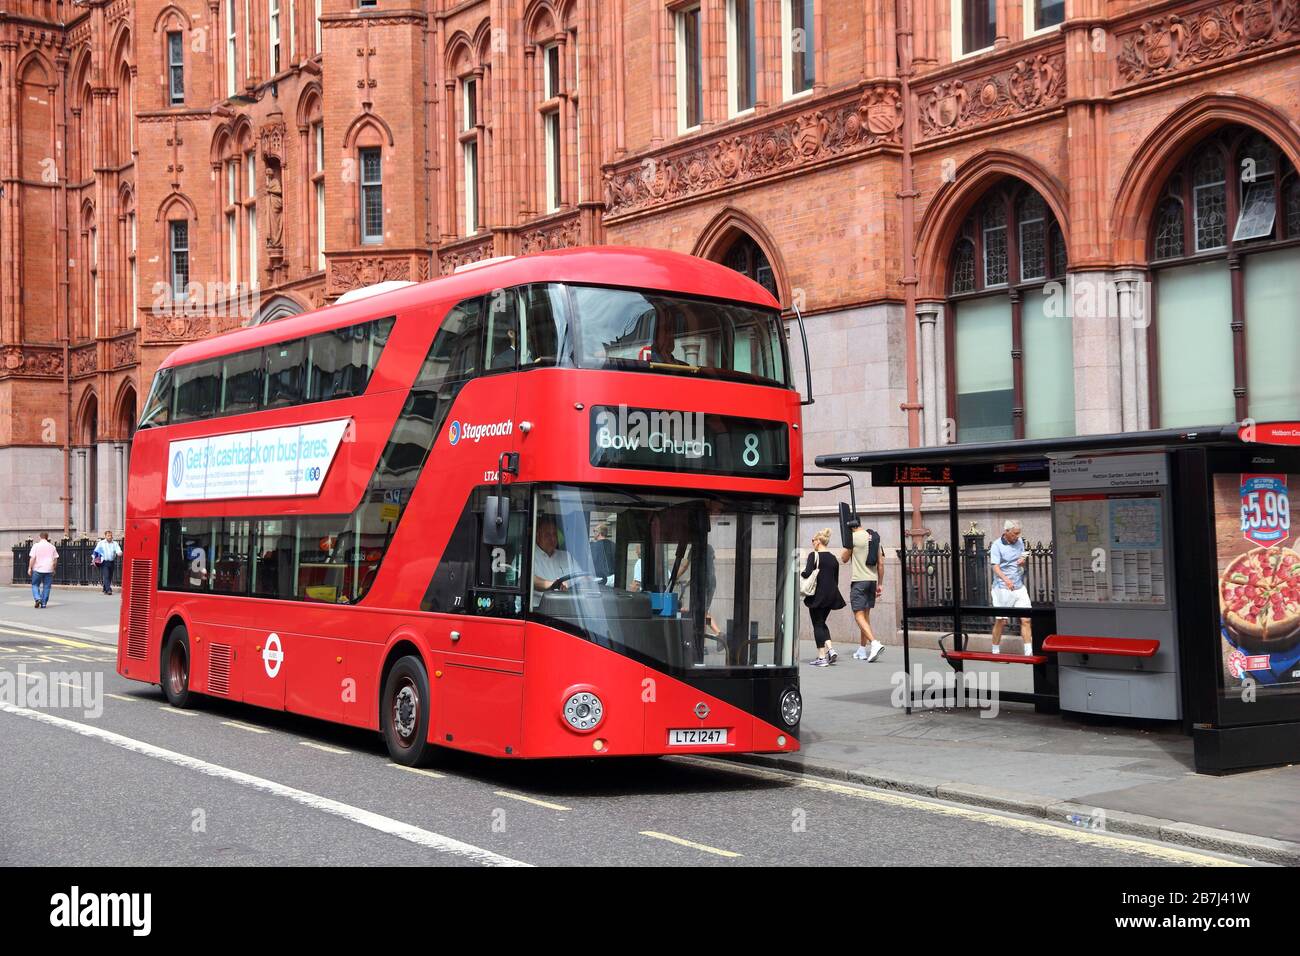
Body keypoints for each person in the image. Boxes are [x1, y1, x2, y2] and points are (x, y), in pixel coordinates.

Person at [840, 516, 885, 661]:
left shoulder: (853, 538)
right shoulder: (874, 537)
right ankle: (862, 649)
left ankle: (874, 643)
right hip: (872, 581)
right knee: (865, 617)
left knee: (858, 615)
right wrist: (880, 584)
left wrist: (848, 545)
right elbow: (881, 563)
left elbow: (844, 558)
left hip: (859, 581)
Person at [802, 528, 845, 666]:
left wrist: (801, 573)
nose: (812, 543)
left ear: (819, 541)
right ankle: (831, 650)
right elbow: (835, 579)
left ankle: (821, 657)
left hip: (818, 596)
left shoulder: (813, 556)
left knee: (817, 625)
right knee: (821, 622)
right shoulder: (833, 558)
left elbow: (807, 573)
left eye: (813, 540)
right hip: (831, 595)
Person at [990, 519, 1032, 654]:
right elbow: (995, 566)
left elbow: (1023, 557)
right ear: (1006, 532)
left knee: (1026, 619)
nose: (1017, 536)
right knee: (1001, 621)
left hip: (1019, 586)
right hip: (1002, 587)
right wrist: (1006, 579)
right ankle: (995, 652)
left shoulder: (1019, 541)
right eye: (1015, 534)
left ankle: (1028, 653)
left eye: (1019, 533)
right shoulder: (996, 545)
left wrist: (1023, 561)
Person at [532, 516, 578, 607]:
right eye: (548, 535)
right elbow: (529, 579)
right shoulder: (528, 555)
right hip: (538, 610)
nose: (552, 539)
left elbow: (579, 576)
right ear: (537, 536)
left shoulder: (566, 556)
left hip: (567, 607)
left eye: (554, 535)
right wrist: (553, 585)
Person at [28, 532, 59, 609]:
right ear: (47, 537)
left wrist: (29, 568)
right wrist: (53, 568)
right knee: (47, 587)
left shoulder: (36, 546)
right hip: (48, 569)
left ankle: (37, 598)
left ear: (40, 537)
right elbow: (55, 560)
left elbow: (32, 558)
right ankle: (44, 603)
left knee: (35, 585)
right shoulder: (52, 547)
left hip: (37, 569)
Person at [93, 530, 122, 595]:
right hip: (104, 562)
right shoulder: (101, 543)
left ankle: (105, 588)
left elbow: (118, 550)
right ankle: (109, 590)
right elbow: (96, 552)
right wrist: (94, 560)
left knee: (110, 576)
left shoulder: (115, 543)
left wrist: (119, 553)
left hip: (111, 561)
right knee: (106, 575)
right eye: (108, 535)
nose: (110, 537)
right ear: (105, 536)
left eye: (111, 535)